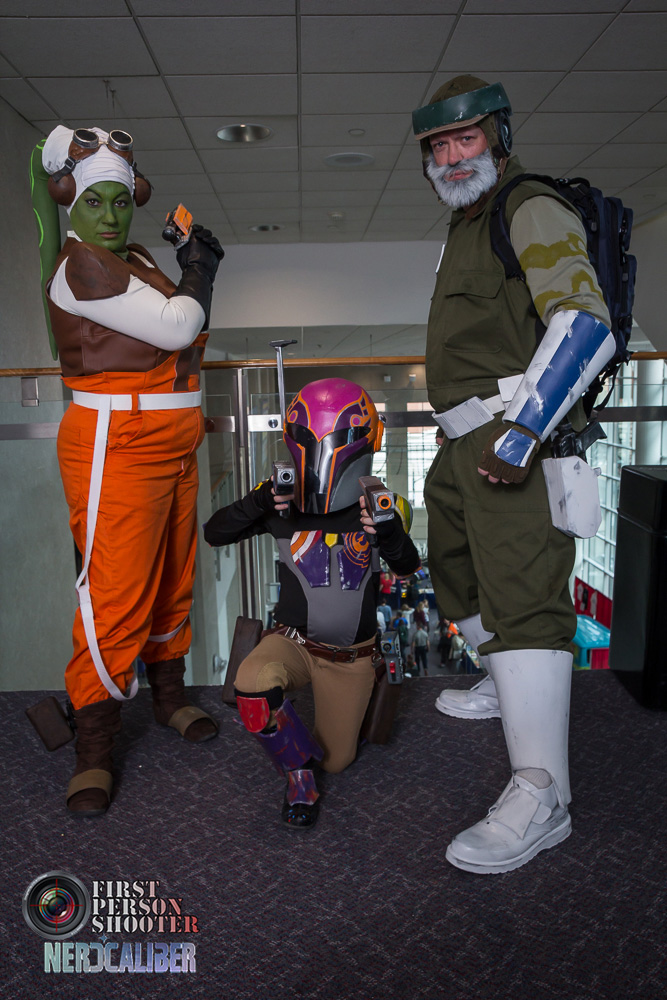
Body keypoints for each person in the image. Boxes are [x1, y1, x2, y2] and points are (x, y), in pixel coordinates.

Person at [412, 76, 615, 873]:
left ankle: (542, 796)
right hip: (461, 440)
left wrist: (526, 429)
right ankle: (505, 682)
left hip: (511, 432)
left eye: (464, 138)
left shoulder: (525, 204)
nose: (450, 156)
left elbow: (583, 320)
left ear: (497, 136)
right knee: (455, 572)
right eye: (437, 145)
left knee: (526, 599)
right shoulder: (466, 223)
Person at [37, 125, 224, 817]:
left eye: (121, 201)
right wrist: (199, 270)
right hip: (117, 447)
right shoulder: (80, 266)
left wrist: (185, 269)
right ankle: (93, 748)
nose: (111, 216)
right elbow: (178, 325)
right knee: (114, 594)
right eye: (96, 202)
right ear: (71, 202)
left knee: (175, 576)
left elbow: (173, 332)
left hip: (172, 443)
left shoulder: (134, 255)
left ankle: (168, 697)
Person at [204, 378, 420, 829]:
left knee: (338, 761)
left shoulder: (382, 505)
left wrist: (389, 532)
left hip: (351, 656)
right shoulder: (279, 504)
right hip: (293, 643)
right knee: (252, 685)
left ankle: (344, 720)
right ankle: (299, 776)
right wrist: (259, 500)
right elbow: (215, 532)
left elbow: (406, 566)